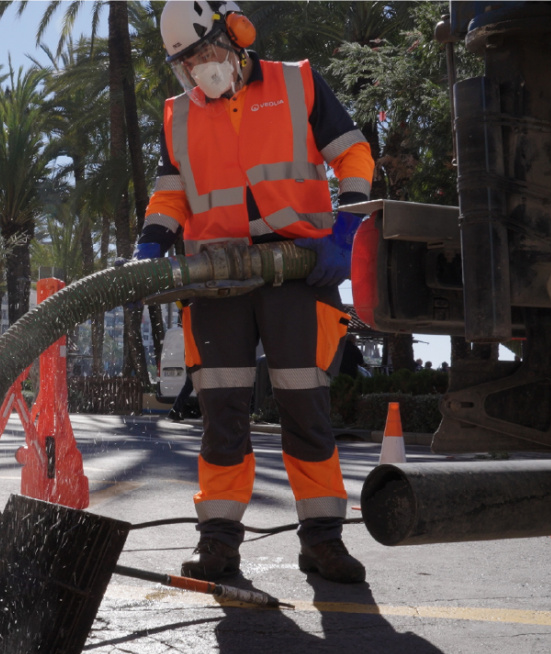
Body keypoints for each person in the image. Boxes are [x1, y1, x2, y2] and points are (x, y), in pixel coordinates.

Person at [136, 1, 375, 584]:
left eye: (207, 52)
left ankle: (321, 540)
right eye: (188, 62)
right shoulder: (179, 115)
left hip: (299, 271)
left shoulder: (297, 83)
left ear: (235, 35)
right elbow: (172, 194)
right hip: (216, 279)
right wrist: (148, 245)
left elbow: (353, 152)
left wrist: (346, 227)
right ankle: (218, 543)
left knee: (305, 406)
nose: (202, 69)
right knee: (222, 413)